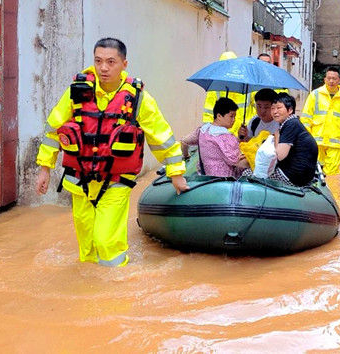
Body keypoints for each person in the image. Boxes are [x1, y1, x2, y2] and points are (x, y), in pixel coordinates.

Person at [35, 37, 188, 268]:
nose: (103, 68)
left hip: (116, 181)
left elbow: (161, 136)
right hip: (80, 180)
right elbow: (53, 129)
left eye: (110, 62)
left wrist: (176, 173)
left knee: (106, 242)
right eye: (98, 61)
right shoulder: (77, 91)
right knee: (86, 247)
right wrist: (44, 168)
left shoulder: (138, 99)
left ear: (124, 64)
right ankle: (88, 291)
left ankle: (115, 285)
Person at [301, 66, 340, 176]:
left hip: (334, 142)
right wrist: (305, 137)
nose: (331, 81)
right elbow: (306, 117)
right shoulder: (315, 94)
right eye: (329, 78)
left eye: (334, 78)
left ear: (339, 80)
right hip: (316, 141)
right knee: (314, 171)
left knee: (332, 174)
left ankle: (333, 192)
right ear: (324, 79)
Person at [181, 97, 249, 177]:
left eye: (234, 116)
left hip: (204, 178)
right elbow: (238, 162)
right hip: (223, 181)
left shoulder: (202, 131)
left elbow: (184, 142)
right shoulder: (226, 137)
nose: (233, 120)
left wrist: (186, 156)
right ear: (219, 116)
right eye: (231, 116)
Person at [269, 93, 318, 186]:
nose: (275, 112)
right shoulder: (293, 122)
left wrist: (277, 137)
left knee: (248, 173)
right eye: (272, 108)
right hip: (302, 176)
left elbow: (279, 156)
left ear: (290, 110)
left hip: (292, 177)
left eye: (279, 108)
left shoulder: (291, 124)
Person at [202, 51, 254, 135]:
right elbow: (208, 115)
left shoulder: (247, 86)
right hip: (223, 136)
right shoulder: (214, 90)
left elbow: (258, 110)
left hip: (244, 134)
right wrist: (208, 134)